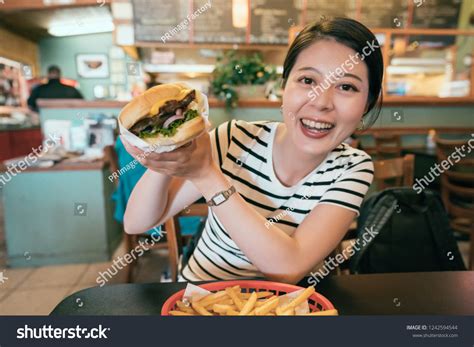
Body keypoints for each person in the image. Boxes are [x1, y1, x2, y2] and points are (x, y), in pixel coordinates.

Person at [122, 17, 383, 284]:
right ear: (284, 87)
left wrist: (207, 177)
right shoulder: (235, 138)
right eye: (307, 80)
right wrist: (168, 151)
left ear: (367, 104)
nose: (321, 102)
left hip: (284, 307)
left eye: (346, 87)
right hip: (201, 295)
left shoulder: (353, 167)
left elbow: (288, 268)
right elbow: (137, 222)